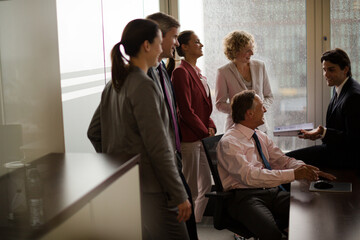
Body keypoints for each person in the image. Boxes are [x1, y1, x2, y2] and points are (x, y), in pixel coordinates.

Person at [87, 19, 191, 240]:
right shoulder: (144, 85)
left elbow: (94, 133)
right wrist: (179, 193)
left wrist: (120, 165)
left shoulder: (114, 84)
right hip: (153, 189)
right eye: (159, 41)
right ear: (147, 45)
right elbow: (159, 147)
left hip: (127, 188)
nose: (162, 47)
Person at [217, 90, 335, 240]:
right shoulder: (229, 142)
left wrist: (302, 168)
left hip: (271, 193)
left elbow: (282, 160)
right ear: (249, 114)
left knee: (312, 208)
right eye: (261, 107)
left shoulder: (259, 135)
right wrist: (294, 175)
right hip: (244, 197)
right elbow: (250, 177)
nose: (265, 110)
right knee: (271, 234)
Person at [146, 12, 198, 240]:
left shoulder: (163, 71)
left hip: (173, 156)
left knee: (186, 222)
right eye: (175, 37)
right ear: (158, 36)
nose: (177, 43)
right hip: (157, 166)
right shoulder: (140, 79)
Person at [286, 48, 360, 170]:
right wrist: (320, 134)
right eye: (324, 70)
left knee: (288, 161)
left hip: (345, 158)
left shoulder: (354, 96)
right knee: (287, 161)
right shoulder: (340, 86)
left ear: (345, 69)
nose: (326, 74)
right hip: (334, 150)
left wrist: (323, 133)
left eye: (331, 69)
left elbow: (354, 140)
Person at [171, 30, 216, 223]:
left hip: (203, 136)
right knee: (191, 185)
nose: (201, 45)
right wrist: (205, 131)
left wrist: (211, 125)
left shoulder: (197, 73)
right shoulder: (181, 72)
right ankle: (185, 227)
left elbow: (204, 107)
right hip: (191, 138)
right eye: (196, 42)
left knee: (206, 184)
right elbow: (186, 111)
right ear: (185, 47)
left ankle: (195, 223)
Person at [215, 30, 273, 132]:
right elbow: (220, 104)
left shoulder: (260, 66)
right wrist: (242, 111)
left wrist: (259, 108)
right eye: (247, 50)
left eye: (252, 49)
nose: (252, 53)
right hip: (235, 128)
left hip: (260, 128)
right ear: (236, 51)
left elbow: (269, 96)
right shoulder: (223, 72)